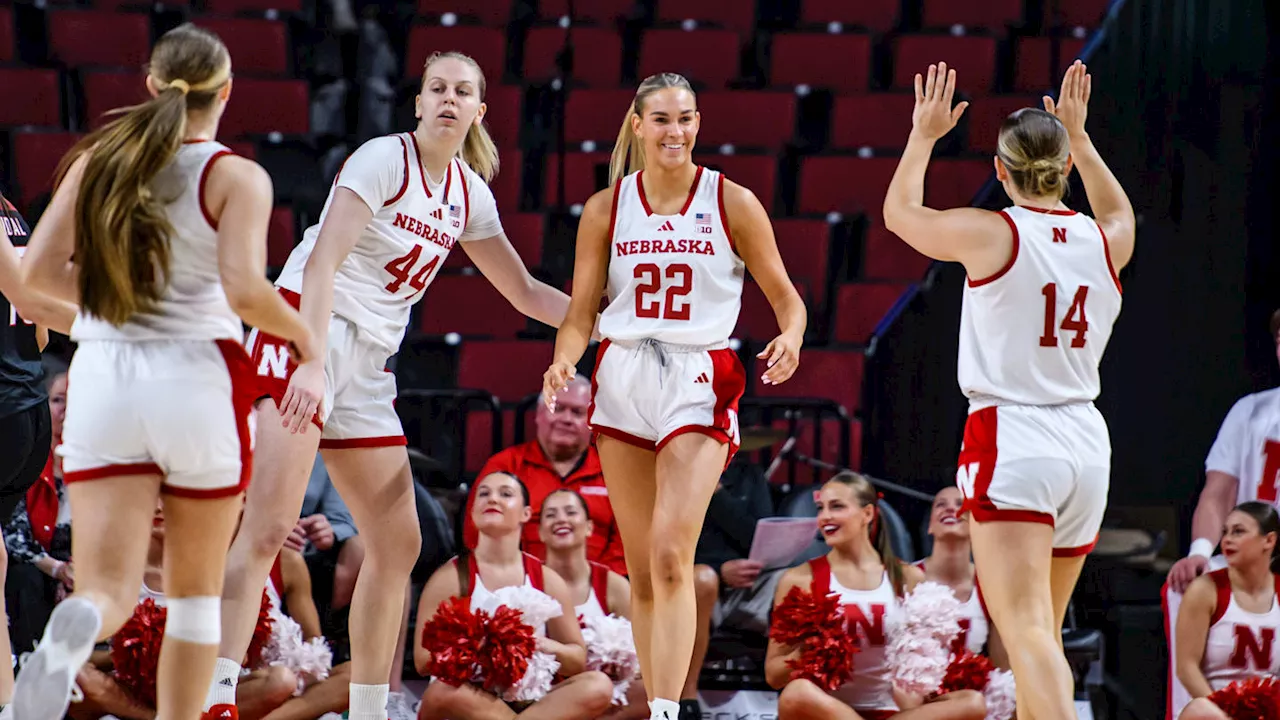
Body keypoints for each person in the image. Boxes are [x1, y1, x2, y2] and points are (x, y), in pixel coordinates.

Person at [216, 50, 579, 720]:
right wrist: (312, 361)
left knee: (399, 540)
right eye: (436, 88)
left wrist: (612, 324)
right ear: (418, 103)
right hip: (304, 332)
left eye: (462, 91)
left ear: (478, 110)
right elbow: (323, 259)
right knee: (267, 527)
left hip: (369, 364)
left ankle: (368, 706)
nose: (448, 99)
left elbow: (525, 292)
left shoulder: (469, 193)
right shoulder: (383, 158)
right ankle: (212, 699)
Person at [13, 23, 316, 720]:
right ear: (228, 91)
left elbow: (31, 279)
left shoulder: (97, 162)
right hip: (196, 378)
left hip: (105, 377)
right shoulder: (236, 175)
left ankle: (76, 622)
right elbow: (245, 290)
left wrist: (113, 319)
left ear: (150, 86)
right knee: (195, 595)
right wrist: (306, 339)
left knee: (109, 590)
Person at [542, 72, 807, 720]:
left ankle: (669, 709)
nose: (675, 131)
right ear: (637, 126)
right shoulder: (608, 207)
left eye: (685, 118)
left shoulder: (730, 200)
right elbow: (582, 311)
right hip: (623, 371)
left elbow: (787, 298)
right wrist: (562, 360)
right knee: (641, 567)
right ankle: (660, 705)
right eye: (661, 119)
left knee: (670, 554)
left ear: (698, 123)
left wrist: (792, 337)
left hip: (698, 373)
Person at [882, 60, 1136, 720]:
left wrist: (923, 133)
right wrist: (1079, 136)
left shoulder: (993, 230)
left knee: (1023, 630)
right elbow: (1118, 210)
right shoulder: (1104, 240)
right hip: (1085, 440)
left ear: (1000, 172)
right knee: (1041, 635)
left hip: (1017, 437)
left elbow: (899, 215)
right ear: (1063, 166)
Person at [765, 472, 985, 720]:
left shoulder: (909, 578)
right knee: (797, 693)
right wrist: (808, 650)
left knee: (972, 702)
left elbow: (922, 674)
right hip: (826, 712)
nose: (825, 516)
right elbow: (773, 676)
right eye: (821, 508)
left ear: (867, 514)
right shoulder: (800, 580)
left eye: (836, 506)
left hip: (890, 712)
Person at [413, 472, 615, 720]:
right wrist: (484, 647)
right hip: (472, 701)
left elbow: (576, 660)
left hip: (530, 701)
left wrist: (536, 645)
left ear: (526, 514)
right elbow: (422, 661)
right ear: (473, 512)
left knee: (598, 685)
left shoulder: (547, 579)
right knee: (442, 692)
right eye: (484, 494)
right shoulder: (451, 576)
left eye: (505, 494)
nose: (493, 499)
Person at [1164, 309, 1280, 717]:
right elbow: (1217, 492)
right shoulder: (1251, 412)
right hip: (1254, 556)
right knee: (1185, 583)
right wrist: (1198, 550)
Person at [464, 375, 627, 575]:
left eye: (577, 412)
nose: (566, 419)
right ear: (539, 415)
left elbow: (628, 544)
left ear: (592, 423)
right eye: (557, 409)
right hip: (516, 585)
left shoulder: (614, 471)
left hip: (599, 591)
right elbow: (477, 531)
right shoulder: (505, 465)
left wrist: (598, 587)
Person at [1174, 502, 1280, 720]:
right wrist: (1224, 712)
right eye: (1225, 532)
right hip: (1214, 708)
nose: (1227, 539)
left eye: (1238, 531)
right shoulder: (1205, 589)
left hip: (1268, 710)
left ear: (1269, 540)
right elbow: (1186, 667)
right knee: (1199, 710)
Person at [5, 370, 74, 657]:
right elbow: (13, 535)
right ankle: (28, 659)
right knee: (23, 577)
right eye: (58, 400)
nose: (66, 411)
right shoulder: (27, 456)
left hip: (77, 563)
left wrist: (75, 571)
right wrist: (59, 571)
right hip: (37, 564)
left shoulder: (93, 460)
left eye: (75, 401)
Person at [914, 486, 996, 660]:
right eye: (940, 505)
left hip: (970, 686)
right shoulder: (905, 576)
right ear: (930, 524)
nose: (950, 508)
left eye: (961, 504)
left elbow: (1003, 669)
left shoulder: (990, 585)